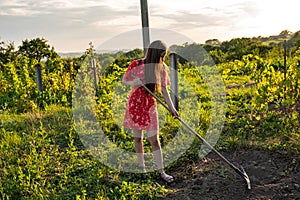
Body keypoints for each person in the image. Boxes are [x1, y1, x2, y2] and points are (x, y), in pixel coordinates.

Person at [122, 40, 179, 183]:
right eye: (162, 54)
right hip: (135, 104)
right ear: (155, 53)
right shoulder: (137, 64)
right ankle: (142, 166)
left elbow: (164, 89)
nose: (163, 57)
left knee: (154, 140)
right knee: (137, 138)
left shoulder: (161, 68)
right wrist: (135, 83)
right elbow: (125, 80)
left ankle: (162, 171)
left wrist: (172, 109)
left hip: (150, 105)